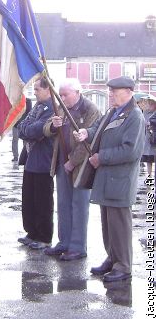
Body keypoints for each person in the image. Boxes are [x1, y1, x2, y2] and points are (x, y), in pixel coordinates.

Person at [73, 76, 145, 281]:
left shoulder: (135, 117)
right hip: (107, 178)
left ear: (129, 92)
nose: (111, 94)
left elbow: (131, 151)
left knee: (120, 225)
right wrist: (87, 132)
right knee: (108, 222)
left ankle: (123, 265)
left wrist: (102, 157)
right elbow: (100, 131)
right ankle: (112, 258)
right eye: (110, 91)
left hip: (120, 180)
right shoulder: (113, 112)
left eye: (115, 91)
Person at [43, 78, 100, 260]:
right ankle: (64, 242)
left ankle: (77, 247)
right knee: (64, 204)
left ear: (77, 92)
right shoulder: (61, 108)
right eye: (60, 94)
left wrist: (73, 162)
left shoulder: (90, 110)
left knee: (79, 205)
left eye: (65, 94)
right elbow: (46, 129)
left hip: (81, 167)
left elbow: (89, 141)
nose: (62, 97)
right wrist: (53, 125)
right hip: (61, 164)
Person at [17, 77, 54, 249]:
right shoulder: (37, 107)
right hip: (31, 158)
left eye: (38, 89)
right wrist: (28, 131)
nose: (35, 91)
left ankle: (44, 237)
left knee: (42, 200)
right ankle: (32, 232)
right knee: (29, 198)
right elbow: (22, 127)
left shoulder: (52, 108)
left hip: (43, 160)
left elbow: (38, 130)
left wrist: (28, 131)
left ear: (48, 90)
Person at [12, 97, 32, 162]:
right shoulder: (14, 100)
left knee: (25, 141)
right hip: (15, 124)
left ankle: (25, 156)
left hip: (24, 124)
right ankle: (15, 157)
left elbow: (29, 113)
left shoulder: (28, 101)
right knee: (15, 140)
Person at [141, 97, 156, 180]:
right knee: (148, 160)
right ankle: (149, 177)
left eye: (152, 103)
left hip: (154, 138)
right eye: (149, 103)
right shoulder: (145, 113)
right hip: (147, 139)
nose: (150, 105)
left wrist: (151, 124)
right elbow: (142, 123)